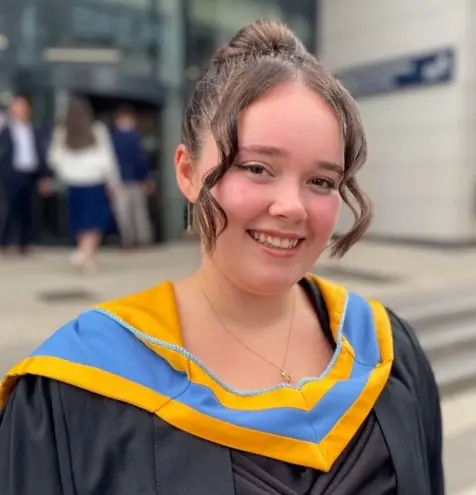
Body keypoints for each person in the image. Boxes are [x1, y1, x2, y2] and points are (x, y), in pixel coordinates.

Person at [0, 19, 443, 495]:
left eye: (322, 181)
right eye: (256, 167)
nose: (292, 207)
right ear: (187, 171)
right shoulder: (75, 386)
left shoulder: (386, 352)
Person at [47, 95, 120, 272]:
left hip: (74, 183)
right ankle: (87, 255)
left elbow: (53, 159)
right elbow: (108, 159)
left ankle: (86, 254)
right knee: (95, 221)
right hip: (95, 181)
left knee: (80, 221)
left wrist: (66, 171)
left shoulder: (62, 132)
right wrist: (114, 181)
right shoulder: (98, 130)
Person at [0, 96, 51, 255]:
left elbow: (41, 154)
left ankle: (25, 243)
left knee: (28, 210)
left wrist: (44, 176)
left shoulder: (36, 130)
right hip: (11, 174)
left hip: (30, 173)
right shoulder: (5, 131)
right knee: (9, 209)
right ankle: (4, 242)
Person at [110, 105, 155, 248]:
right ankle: (143, 239)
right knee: (139, 213)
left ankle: (127, 240)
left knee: (123, 213)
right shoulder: (136, 137)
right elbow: (141, 160)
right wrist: (146, 178)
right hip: (136, 180)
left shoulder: (112, 138)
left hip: (119, 180)